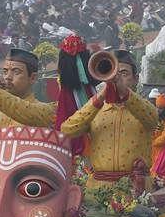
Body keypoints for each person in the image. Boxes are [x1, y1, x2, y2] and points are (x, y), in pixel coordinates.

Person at [61, 50, 159, 189]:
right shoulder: (96, 109)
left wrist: (125, 93)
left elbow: (152, 120)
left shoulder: (144, 108)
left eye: (123, 73)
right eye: (112, 72)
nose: (116, 78)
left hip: (136, 187)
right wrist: (99, 98)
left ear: (135, 79)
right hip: (99, 188)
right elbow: (67, 130)